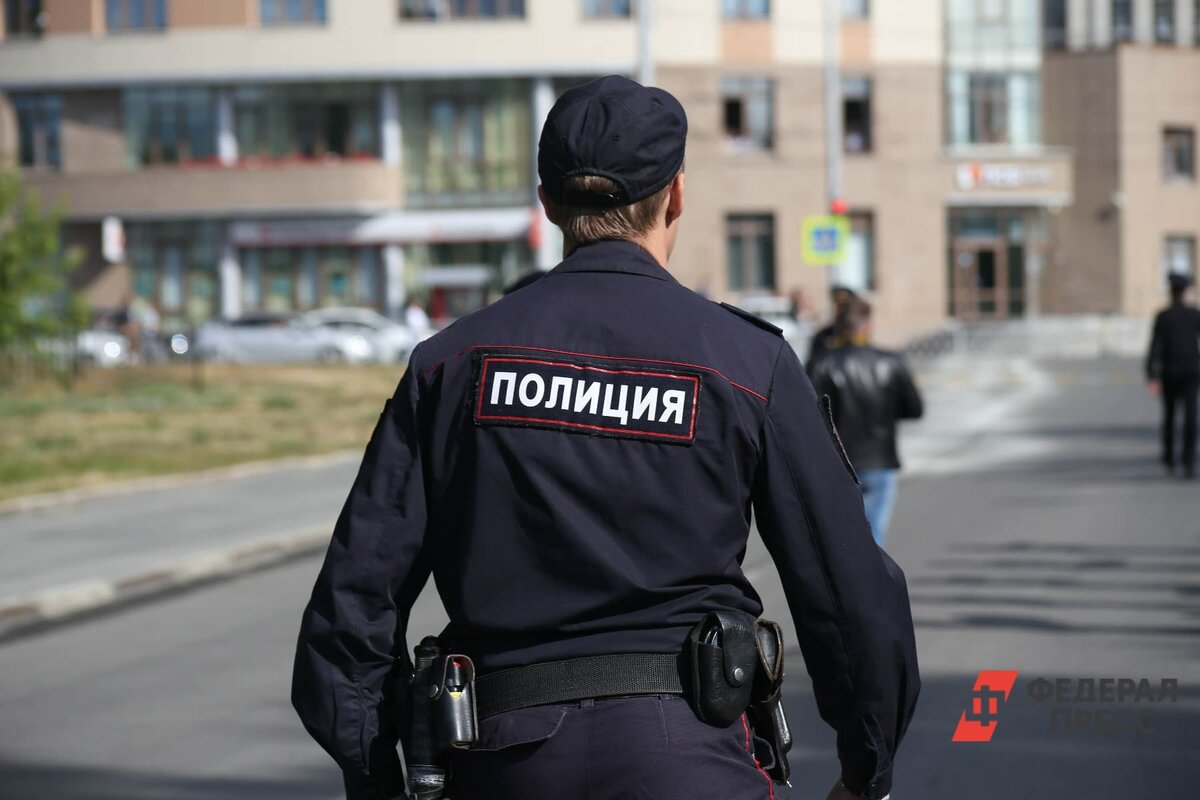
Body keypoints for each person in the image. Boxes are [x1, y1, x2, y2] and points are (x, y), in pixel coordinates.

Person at [292, 75, 918, 800]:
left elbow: (351, 610)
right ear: (676, 196)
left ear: (548, 202)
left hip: (506, 766)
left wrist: (378, 780)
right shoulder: (747, 365)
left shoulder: (451, 366)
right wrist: (865, 770)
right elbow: (850, 594)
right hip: (694, 763)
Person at [808, 299, 924, 548]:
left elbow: (808, 413)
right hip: (880, 460)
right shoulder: (890, 361)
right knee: (873, 537)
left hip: (837, 462)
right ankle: (871, 584)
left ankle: (848, 584)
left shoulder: (822, 362)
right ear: (868, 325)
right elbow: (914, 409)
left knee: (839, 539)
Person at [1146, 272, 1200, 479]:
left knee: (1169, 417)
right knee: (1190, 417)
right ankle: (1188, 460)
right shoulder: (1193, 314)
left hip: (1170, 372)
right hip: (1191, 371)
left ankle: (1169, 458)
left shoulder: (1164, 316)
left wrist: (1152, 374)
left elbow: (1155, 347)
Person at [808, 284, 858, 365]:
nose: (840, 310)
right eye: (838, 305)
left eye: (845, 306)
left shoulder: (858, 335)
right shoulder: (822, 336)